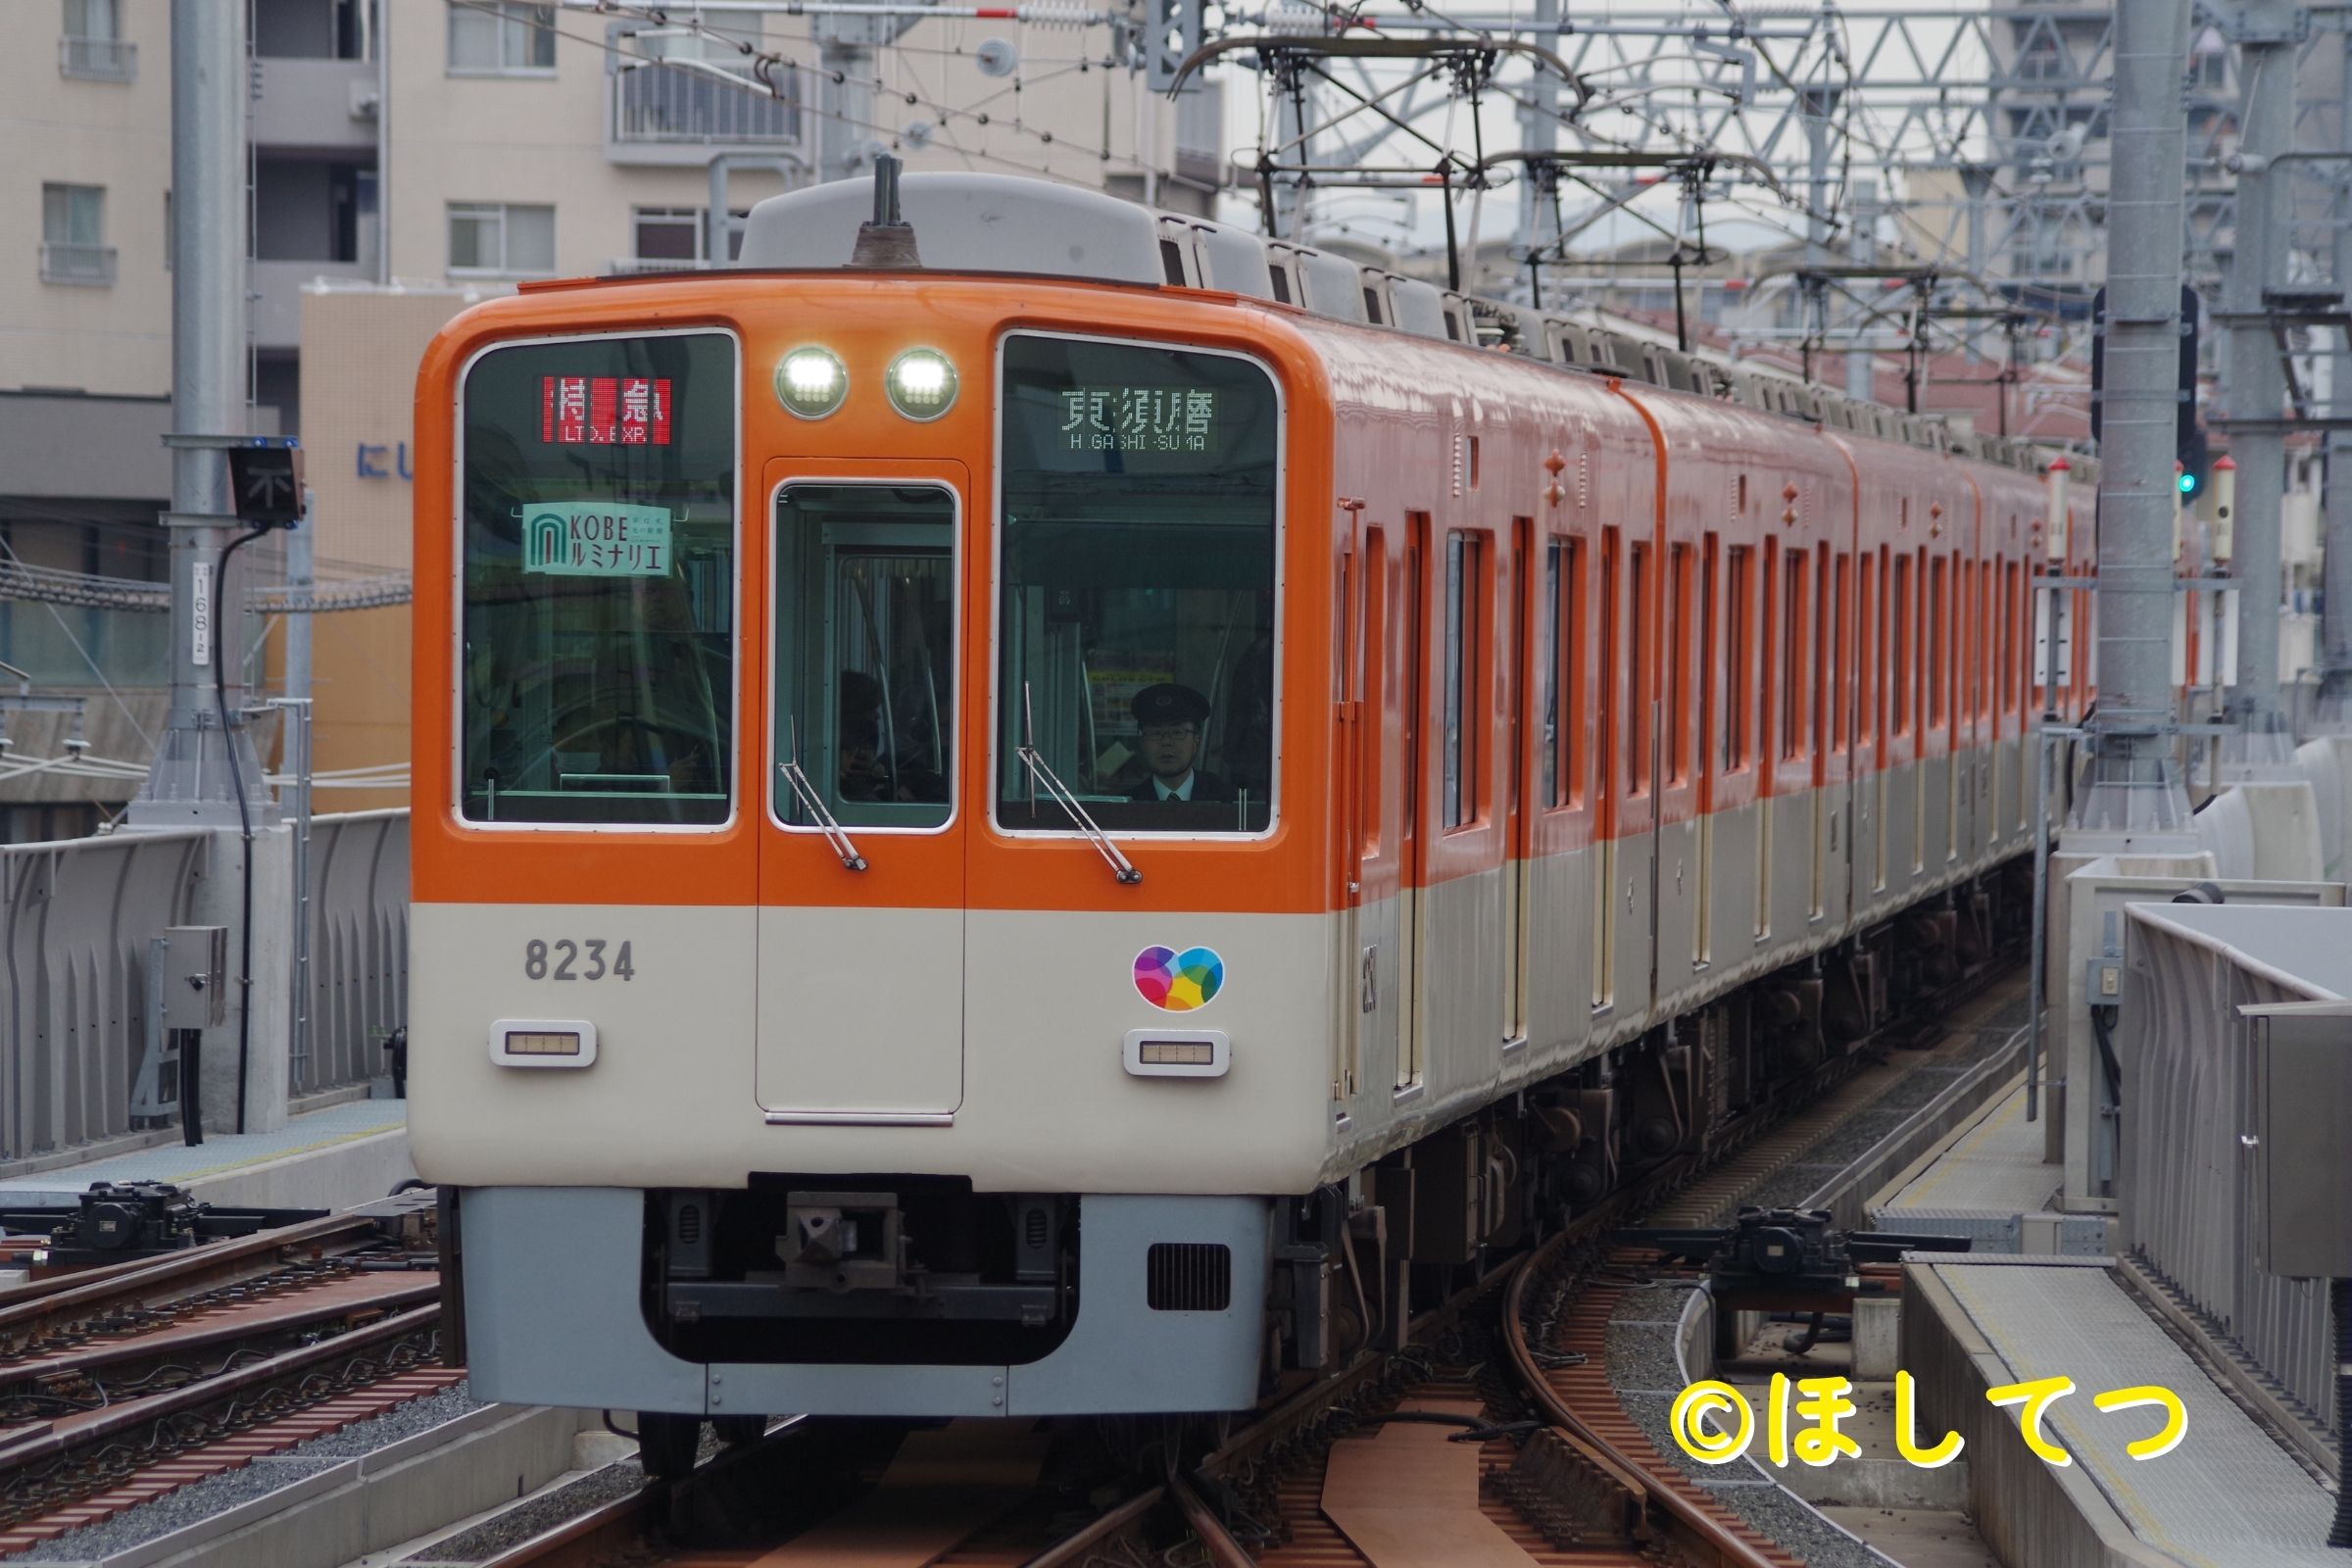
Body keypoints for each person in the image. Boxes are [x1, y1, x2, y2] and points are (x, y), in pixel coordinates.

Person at [838, 670, 946, 803]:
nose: (877, 717)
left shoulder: (898, 763)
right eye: (870, 710)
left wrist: (880, 776)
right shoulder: (829, 785)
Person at [1128, 683, 1235, 803]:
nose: (1166, 742)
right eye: (1156, 733)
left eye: (1177, 732)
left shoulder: (1227, 799)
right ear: (1143, 743)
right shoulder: (1127, 805)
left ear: (1196, 742)